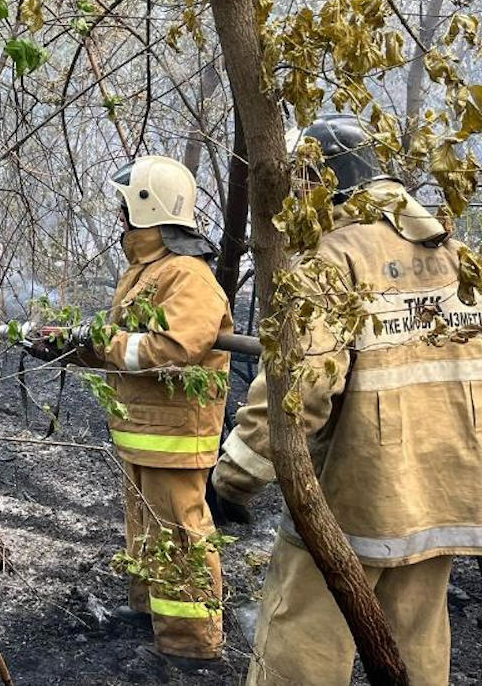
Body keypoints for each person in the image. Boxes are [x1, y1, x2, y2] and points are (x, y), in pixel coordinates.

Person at [210, 113, 482, 685]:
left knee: (302, 633)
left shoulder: (334, 260)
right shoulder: (456, 253)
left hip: (356, 494)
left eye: (299, 182)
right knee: (418, 637)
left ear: (320, 179)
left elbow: (298, 387)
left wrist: (234, 476)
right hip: (443, 493)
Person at [26, 155, 233, 670]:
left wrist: (99, 339)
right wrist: (69, 346)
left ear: (148, 207)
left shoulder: (187, 275)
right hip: (144, 432)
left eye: (125, 206)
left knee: (178, 536)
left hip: (175, 435)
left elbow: (172, 348)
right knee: (145, 530)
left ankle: (190, 646)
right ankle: (151, 614)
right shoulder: (148, 270)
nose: (119, 215)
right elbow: (125, 345)